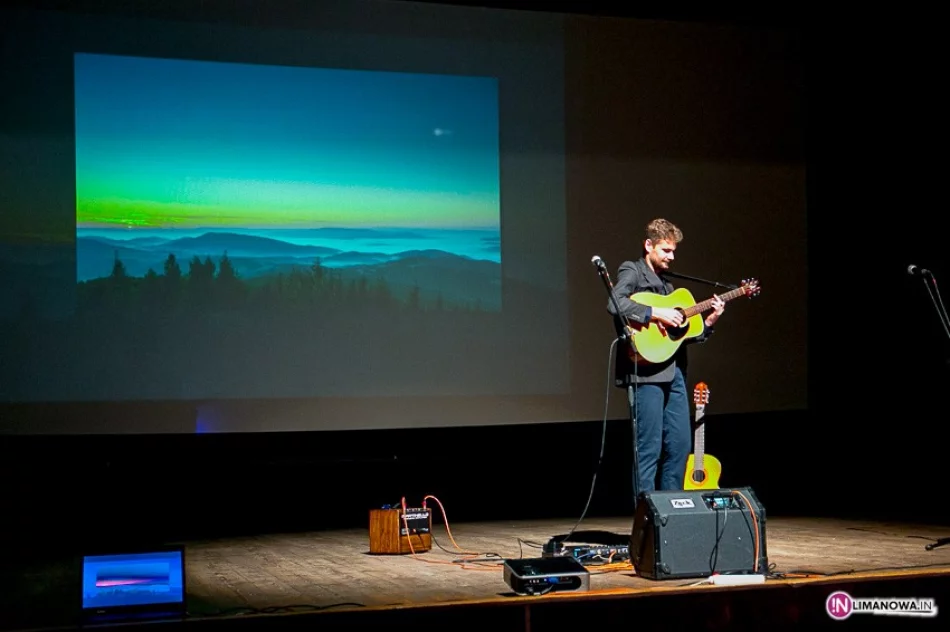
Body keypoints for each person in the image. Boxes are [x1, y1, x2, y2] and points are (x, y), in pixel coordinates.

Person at [606, 218, 725, 504]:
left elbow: (679, 337)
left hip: (674, 375)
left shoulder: (669, 288)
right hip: (646, 375)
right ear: (649, 246)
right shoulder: (632, 271)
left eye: (674, 251)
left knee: (680, 446)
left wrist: (708, 321)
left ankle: (672, 512)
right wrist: (655, 314)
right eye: (666, 250)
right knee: (649, 449)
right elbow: (615, 303)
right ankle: (646, 520)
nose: (671, 256)